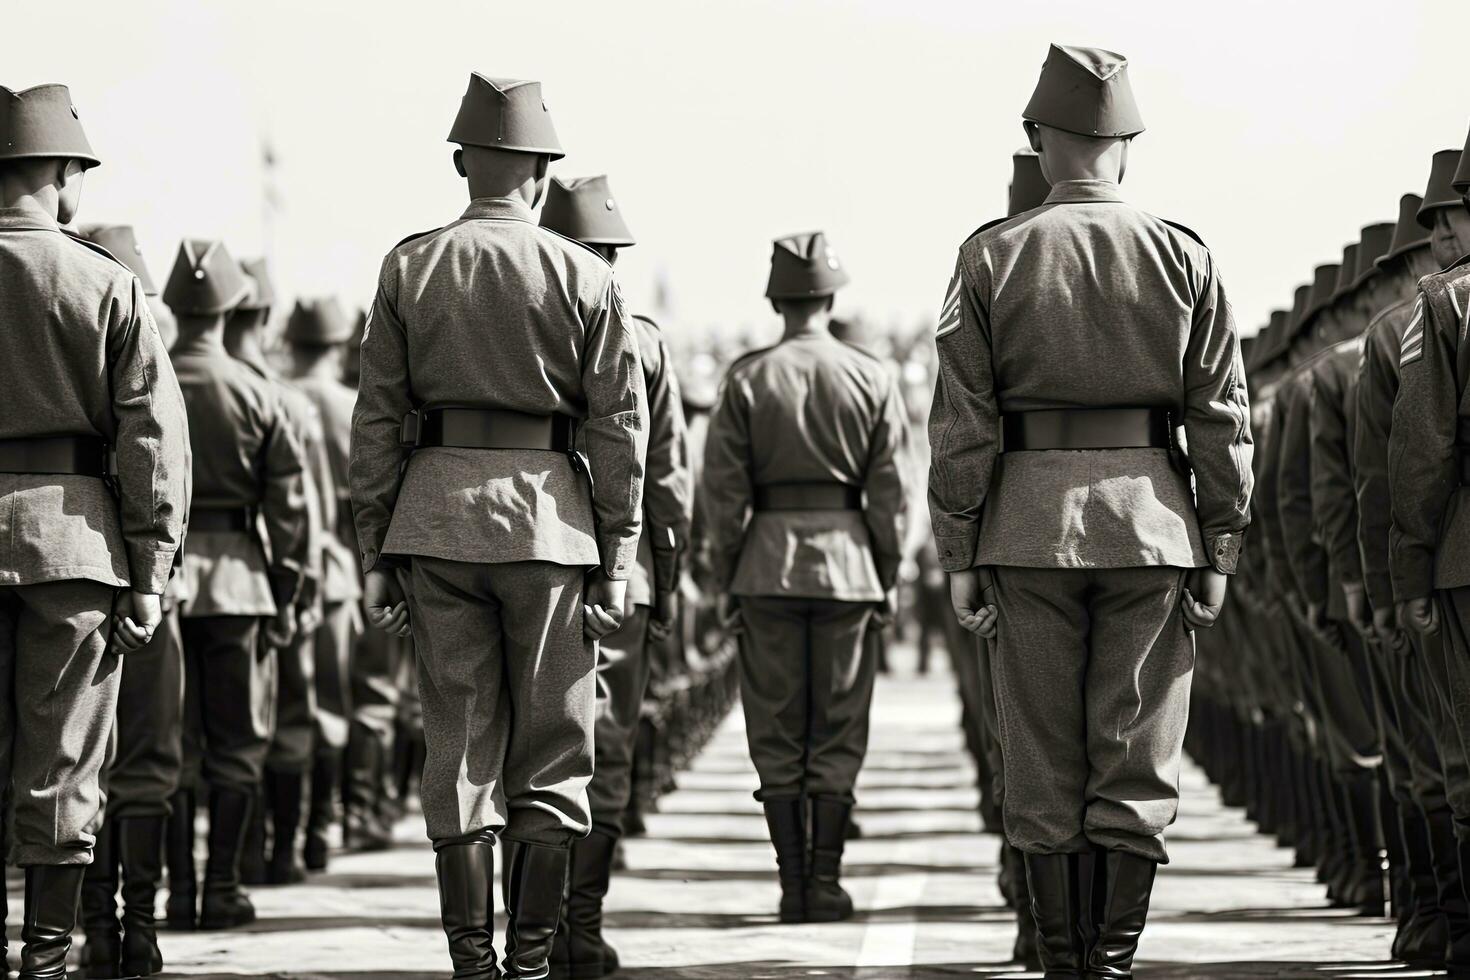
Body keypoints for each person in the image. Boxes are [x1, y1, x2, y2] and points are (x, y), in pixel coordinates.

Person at [928, 45, 1252, 976]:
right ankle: (1109, 966)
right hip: (1151, 525)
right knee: (1137, 751)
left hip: (1027, 529)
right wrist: (1221, 545)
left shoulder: (991, 254)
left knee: (1040, 757)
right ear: (1129, 145)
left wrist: (958, 548)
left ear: (1038, 139)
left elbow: (963, 422)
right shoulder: (1183, 253)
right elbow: (1222, 414)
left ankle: (1065, 963)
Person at [350, 73, 648, 980]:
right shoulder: (584, 272)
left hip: (436, 524)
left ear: (460, 162)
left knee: (460, 740)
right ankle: (530, 963)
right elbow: (619, 426)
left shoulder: (410, 265)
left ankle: (472, 964)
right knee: (556, 750)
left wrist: (376, 551)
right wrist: (621, 549)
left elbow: (377, 420)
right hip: (551, 528)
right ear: (544, 172)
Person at [0, 83, 189, 977]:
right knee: (66, 758)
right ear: (64, 173)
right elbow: (150, 438)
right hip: (73, 544)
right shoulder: (106, 283)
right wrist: (150, 571)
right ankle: (43, 961)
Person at [703, 230, 909, 923]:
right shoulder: (871, 375)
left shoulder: (746, 377)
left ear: (775, 299)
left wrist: (726, 575)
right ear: (831, 295)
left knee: (776, 727)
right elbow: (891, 492)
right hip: (849, 565)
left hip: (766, 566)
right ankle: (825, 881)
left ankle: (793, 885)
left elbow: (723, 494)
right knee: (840, 726)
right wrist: (888, 572)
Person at [539, 174, 693, 977]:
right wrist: (664, 572)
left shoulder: (523, 323)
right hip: (617, 574)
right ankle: (580, 931)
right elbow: (665, 474)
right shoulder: (642, 339)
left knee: (528, 746)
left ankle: (533, 935)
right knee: (606, 747)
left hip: (530, 553)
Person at [164, 239, 310, 930]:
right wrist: (288, 590)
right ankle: (221, 888)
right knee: (238, 743)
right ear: (230, 308)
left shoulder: (148, 375)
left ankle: (178, 889)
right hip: (240, 584)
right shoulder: (259, 392)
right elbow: (289, 509)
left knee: (166, 744)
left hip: (162, 580)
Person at [72, 224, 188, 979]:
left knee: (69, 761)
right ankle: (138, 931)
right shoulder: (152, 360)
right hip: (146, 586)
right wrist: (154, 580)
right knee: (144, 761)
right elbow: (169, 481)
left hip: (73, 568)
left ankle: (97, 932)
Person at [1355, 181, 1458, 969]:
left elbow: (1407, 464)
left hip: (1457, 561)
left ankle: (1450, 928)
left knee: (1449, 758)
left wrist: (1402, 580)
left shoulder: (1438, 310)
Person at [225, 259, 332, 886]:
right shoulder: (283, 402)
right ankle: (288, 849)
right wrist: (302, 589)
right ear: (265, 321)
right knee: (290, 714)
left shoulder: (184, 386)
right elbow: (305, 510)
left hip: (200, 584)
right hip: (274, 582)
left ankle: (230, 864)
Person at [283, 296, 364, 873]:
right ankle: (321, 827)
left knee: (285, 706)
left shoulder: (280, 396)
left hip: (279, 569)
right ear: (338, 347)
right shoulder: (350, 408)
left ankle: (281, 839)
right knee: (333, 704)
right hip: (340, 568)